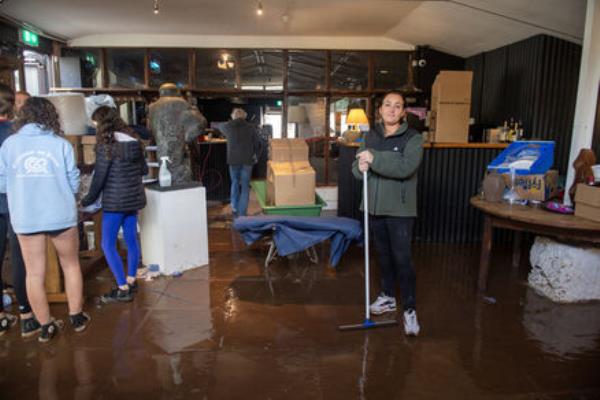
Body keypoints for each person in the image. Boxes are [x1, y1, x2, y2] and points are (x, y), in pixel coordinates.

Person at [0, 97, 89, 342]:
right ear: (50, 116)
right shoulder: (60, 144)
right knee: (70, 265)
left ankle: (45, 325)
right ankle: (76, 316)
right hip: (60, 213)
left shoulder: (10, 145)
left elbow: (2, 183)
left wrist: (24, 190)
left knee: (34, 274)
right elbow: (73, 181)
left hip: (26, 215)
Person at [352, 91, 423, 336]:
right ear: (380, 109)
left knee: (402, 259)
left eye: (398, 106)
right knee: (382, 255)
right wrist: (359, 165)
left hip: (400, 210)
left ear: (403, 112)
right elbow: (356, 168)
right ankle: (388, 297)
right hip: (373, 207)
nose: (392, 110)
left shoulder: (413, 138)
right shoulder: (369, 136)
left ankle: (410, 309)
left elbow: (405, 168)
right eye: (388, 105)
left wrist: (374, 158)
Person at [81, 106, 148, 304]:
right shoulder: (134, 142)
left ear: (102, 123)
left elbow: (99, 178)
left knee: (107, 244)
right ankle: (131, 279)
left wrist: (87, 200)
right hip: (133, 199)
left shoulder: (106, 145)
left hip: (114, 201)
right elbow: (143, 170)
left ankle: (122, 287)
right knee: (131, 239)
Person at [0, 84, 40, 338]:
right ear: (12, 104)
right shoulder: (16, 135)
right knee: (20, 256)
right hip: (15, 200)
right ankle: (26, 314)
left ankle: (1, 317)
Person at [148, 83, 206, 184]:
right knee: (180, 175)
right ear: (176, 92)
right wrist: (187, 137)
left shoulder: (152, 107)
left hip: (161, 151)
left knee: (165, 173)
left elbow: (151, 129)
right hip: (178, 149)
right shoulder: (182, 103)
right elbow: (201, 123)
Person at [220, 108, 260, 217]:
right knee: (245, 186)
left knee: (235, 182)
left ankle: (234, 208)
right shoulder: (251, 127)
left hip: (233, 160)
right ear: (244, 116)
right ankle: (242, 213)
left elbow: (218, 126)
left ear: (233, 116)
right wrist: (256, 155)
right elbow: (257, 143)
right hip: (247, 160)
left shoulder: (227, 126)